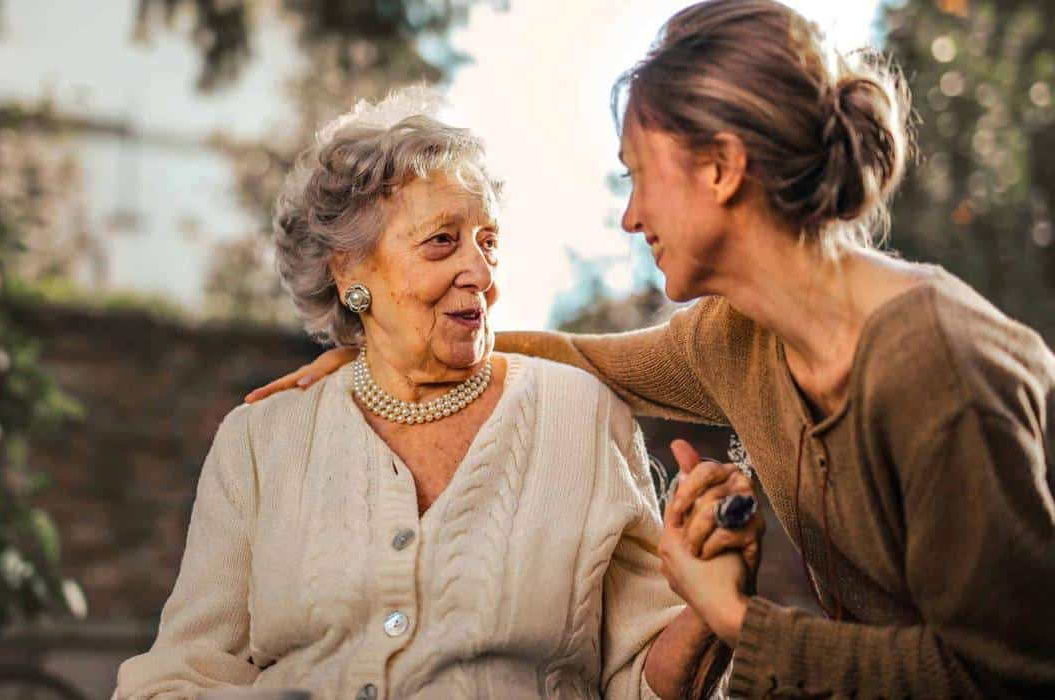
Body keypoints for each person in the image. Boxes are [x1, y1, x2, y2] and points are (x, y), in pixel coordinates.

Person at [245, 2, 1055, 697]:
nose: (631, 217)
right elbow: (583, 357)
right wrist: (389, 351)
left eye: (638, 175)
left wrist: (733, 616)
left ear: (722, 168)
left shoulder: (936, 369)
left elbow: (1007, 674)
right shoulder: (737, 338)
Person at [115, 88, 760, 700]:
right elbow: (179, 676)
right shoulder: (261, 440)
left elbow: (643, 684)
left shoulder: (581, 416)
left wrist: (711, 607)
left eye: (489, 243)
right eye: (442, 241)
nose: (479, 273)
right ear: (349, 270)